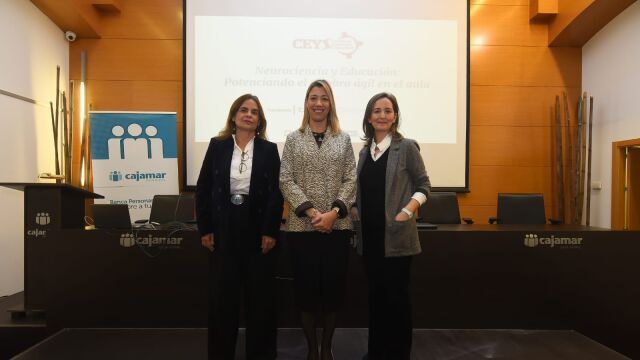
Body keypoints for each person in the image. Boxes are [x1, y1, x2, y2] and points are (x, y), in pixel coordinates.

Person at [196, 94, 283, 360]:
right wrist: (205, 229)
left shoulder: (268, 150)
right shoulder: (217, 145)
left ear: (259, 120)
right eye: (243, 110)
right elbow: (203, 188)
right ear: (234, 116)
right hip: (223, 229)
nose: (248, 114)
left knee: (260, 302)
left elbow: (275, 194)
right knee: (223, 301)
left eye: (254, 112)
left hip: (257, 230)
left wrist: (270, 230)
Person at [279, 80, 357, 360]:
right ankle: (312, 348)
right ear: (306, 103)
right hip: (303, 228)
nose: (319, 103)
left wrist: (334, 213)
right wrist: (312, 213)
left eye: (324, 98)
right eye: (313, 98)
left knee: (333, 291)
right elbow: (285, 179)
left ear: (330, 103)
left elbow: (351, 179)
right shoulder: (293, 138)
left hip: (337, 228)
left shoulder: (344, 138)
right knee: (306, 292)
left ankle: (327, 347)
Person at [351, 92, 431, 360]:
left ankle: (398, 354)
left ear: (395, 116)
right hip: (370, 239)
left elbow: (424, 185)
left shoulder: (406, 147)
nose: (382, 115)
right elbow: (363, 190)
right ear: (369, 118)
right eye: (377, 111)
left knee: (397, 302)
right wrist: (354, 208)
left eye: (387, 110)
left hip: (396, 239)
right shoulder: (364, 152)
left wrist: (407, 212)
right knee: (376, 300)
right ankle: (376, 352)